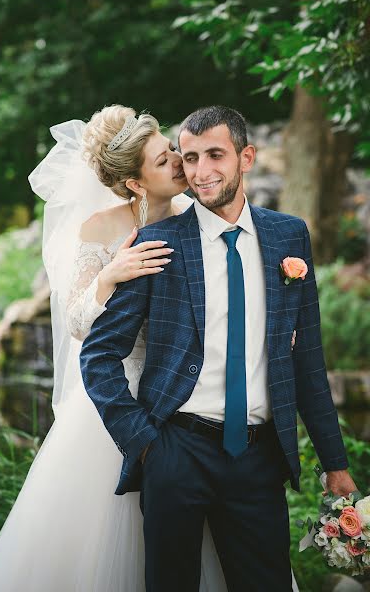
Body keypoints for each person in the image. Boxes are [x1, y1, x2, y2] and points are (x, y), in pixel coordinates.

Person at [80, 105, 357, 592]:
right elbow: (98, 355)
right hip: (175, 450)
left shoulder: (288, 237)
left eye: (215, 155)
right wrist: (144, 443)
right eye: (189, 158)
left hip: (258, 457)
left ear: (245, 157)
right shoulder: (156, 243)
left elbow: (308, 359)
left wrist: (336, 465)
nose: (201, 171)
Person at [0, 105, 227, 591]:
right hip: (115, 398)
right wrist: (110, 276)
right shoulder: (99, 230)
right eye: (163, 160)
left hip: (184, 391)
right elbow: (74, 323)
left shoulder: (195, 219)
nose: (179, 161)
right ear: (135, 183)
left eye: (172, 150)